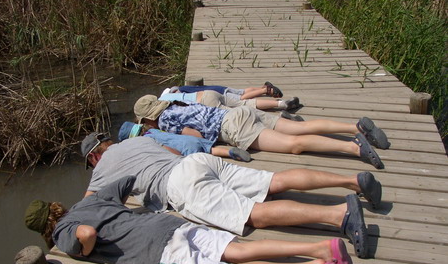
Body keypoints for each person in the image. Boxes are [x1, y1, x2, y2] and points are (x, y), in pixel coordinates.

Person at [24, 176, 353, 264]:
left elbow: (85, 235)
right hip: (166, 223)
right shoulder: (85, 204)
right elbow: (125, 183)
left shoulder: (64, 232)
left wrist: (86, 245)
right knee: (235, 250)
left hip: (156, 252)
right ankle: (320, 249)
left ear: (45, 230)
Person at [82, 133, 383, 258]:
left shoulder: (100, 170)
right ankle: (352, 180)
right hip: (196, 163)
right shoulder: (137, 139)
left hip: (181, 185)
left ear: (95, 157)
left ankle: (339, 215)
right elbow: (172, 152)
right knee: (274, 181)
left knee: (256, 214)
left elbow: (86, 208)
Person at [134, 95, 390, 169]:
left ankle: (354, 148)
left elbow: (197, 138)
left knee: (293, 145)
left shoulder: (166, 122)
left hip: (234, 128)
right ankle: (355, 128)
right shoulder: (179, 102)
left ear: (148, 118)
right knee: (299, 128)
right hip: (237, 114)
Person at [118, 121, 251, 162]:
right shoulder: (154, 131)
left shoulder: (146, 141)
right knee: (211, 149)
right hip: (190, 140)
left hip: (185, 151)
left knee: (204, 159)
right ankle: (230, 152)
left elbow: (164, 148)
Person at [161, 86, 302, 117]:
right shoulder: (175, 92)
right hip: (209, 94)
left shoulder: (163, 105)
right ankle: (281, 104)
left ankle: (277, 118)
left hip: (205, 103)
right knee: (245, 103)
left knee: (238, 112)